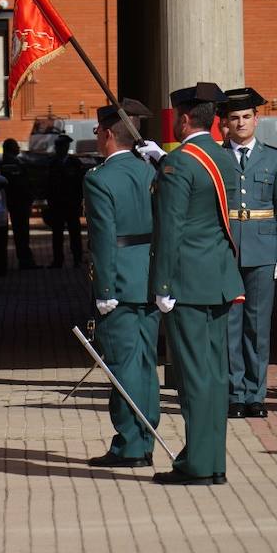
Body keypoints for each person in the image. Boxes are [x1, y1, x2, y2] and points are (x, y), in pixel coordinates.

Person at [149, 81, 245, 485]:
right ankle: (211, 461)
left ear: (184, 118)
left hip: (186, 283)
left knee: (192, 378)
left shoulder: (180, 162)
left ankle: (199, 465)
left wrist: (162, 285)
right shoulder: (222, 158)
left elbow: (170, 230)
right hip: (219, 279)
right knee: (214, 374)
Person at [83, 98, 160, 468]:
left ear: (110, 134)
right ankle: (146, 437)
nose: (97, 137)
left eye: (98, 131)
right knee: (145, 362)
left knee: (123, 364)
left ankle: (130, 443)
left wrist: (105, 291)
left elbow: (102, 237)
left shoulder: (99, 178)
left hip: (120, 280)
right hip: (150, 277)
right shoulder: (153, 172)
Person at [219, 87, 277, 419]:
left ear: (256, 120)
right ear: (225, 124)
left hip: (264, 251)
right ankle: (235, 394)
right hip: (228, 250)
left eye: (247, 117)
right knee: (230, 325)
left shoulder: (274, 158)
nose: (241, 123)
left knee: (258, 326)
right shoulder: (218, 158)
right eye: (234, 118)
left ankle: (255, 394)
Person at [46, 134, 85, 268]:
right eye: (58, 147)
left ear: (66, 147)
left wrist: (80, 201)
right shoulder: (52, 163)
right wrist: (48, 202)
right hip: (56, 205)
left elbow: (80, 184)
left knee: (75, 233)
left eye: (62, 147)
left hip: (71, 204)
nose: (60, 149)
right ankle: (58, 260)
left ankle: (77, 259)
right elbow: (48, 185)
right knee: (57, 234)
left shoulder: (75, 163)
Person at [0, 139, 36, 269]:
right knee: (21, 232)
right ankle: (25, 261)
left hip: (16, 202)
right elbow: (20, 184)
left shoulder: (5, 162)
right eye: (16, 146)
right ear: (10, 148)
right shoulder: (11, 163)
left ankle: (24, 260)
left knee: (20, 232)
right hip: (18, 202)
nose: (19, 148)